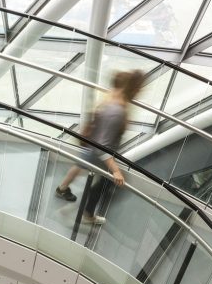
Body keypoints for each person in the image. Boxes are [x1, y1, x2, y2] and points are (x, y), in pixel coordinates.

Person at [53, 69, 145, 226]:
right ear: (134, 89)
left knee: (82, 165)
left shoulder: (111, 100)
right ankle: (85, 213)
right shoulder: (117, 111)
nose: (141, 92)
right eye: (140, 88)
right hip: (100, 152)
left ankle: (64, 191)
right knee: (109, 180)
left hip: (93, 145)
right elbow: (103, 147)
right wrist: (115, 170)